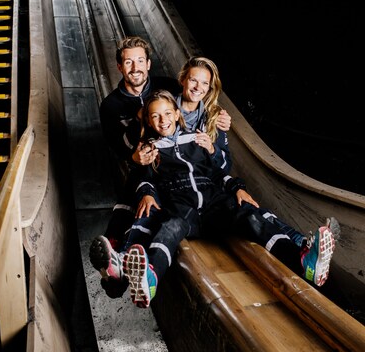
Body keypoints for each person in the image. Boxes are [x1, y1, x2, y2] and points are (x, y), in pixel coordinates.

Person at [91, 90, 340, 308]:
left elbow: (218, 172)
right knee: (169, 228)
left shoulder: (197, 139)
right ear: (148, 119)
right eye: (155, 116)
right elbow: (144, 178)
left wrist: (238, 187)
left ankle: (303, 262)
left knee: (252, 218)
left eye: (167, 114)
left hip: (213, 202)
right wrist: (147, 192)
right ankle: (149, 279)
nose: (162, 120)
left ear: (177, 114)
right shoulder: (150, 149)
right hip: (181, 205)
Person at [92, 38, 232, 295]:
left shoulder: (166, 85)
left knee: (154, 207)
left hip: (173, 167)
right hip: (140, 165)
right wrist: (136, 157)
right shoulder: (111, 105)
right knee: (136, 199)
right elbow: (118, 148)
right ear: (119, 67)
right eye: (128, 62)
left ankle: (123, 266)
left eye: (140, 61)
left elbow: (194, 101)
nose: (135, 67)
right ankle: (114, 271)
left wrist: (218, 115)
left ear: (148, 63)